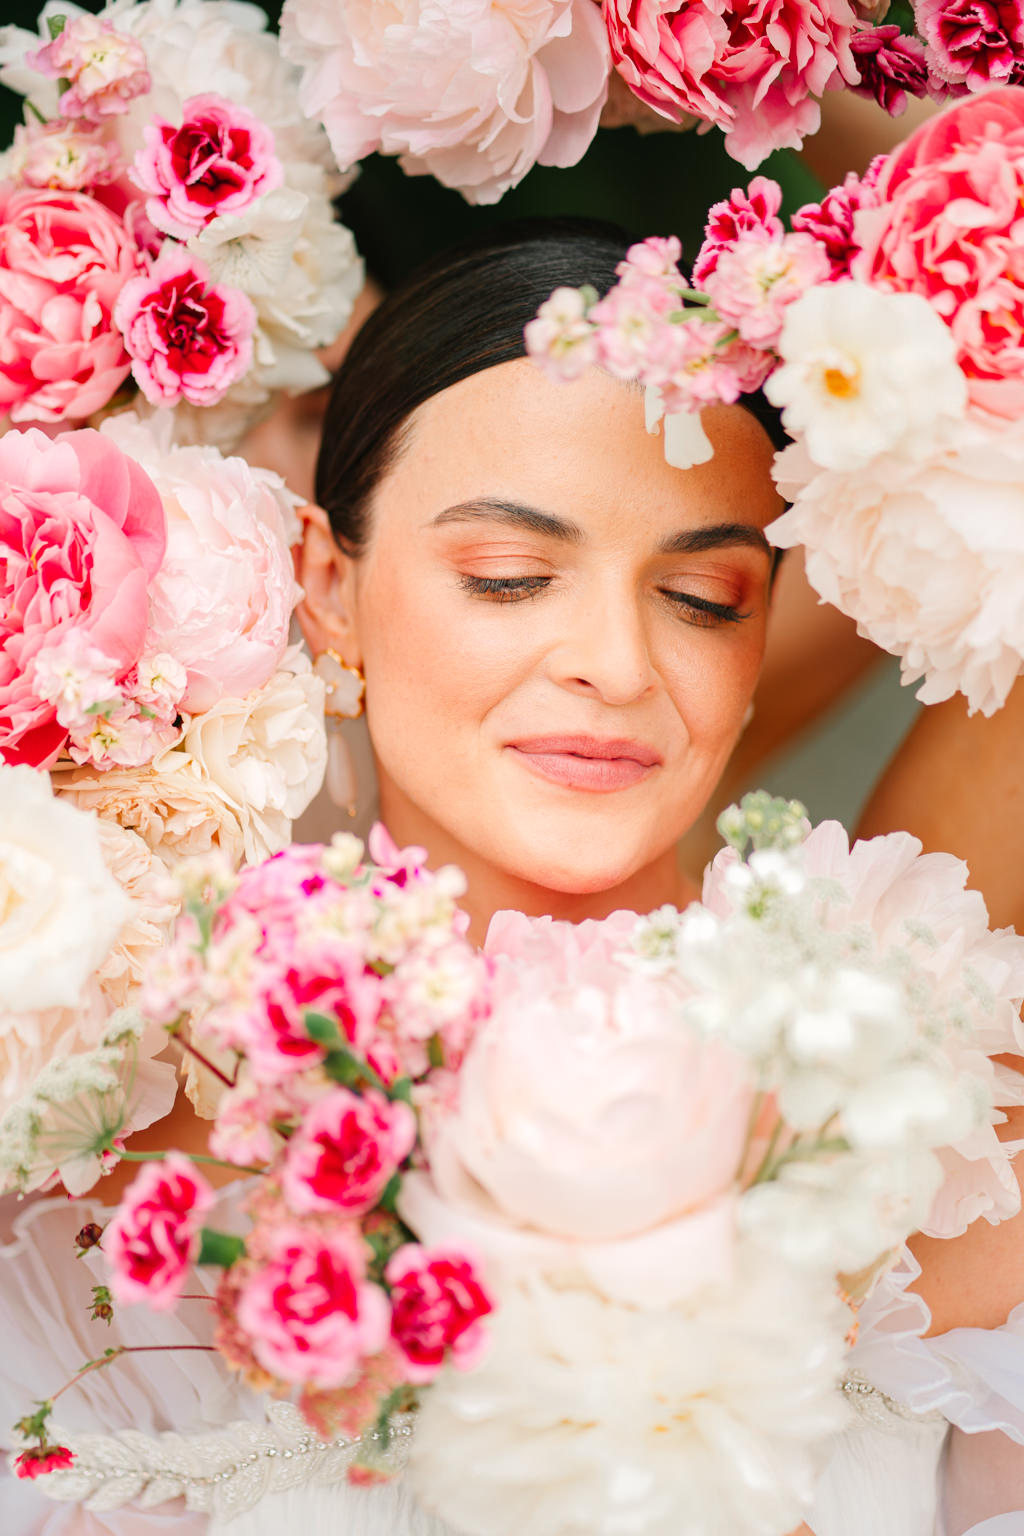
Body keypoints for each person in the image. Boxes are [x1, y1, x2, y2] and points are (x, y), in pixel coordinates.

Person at [2, 218, 1021, 1536]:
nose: (615, 661)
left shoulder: (933, 1152)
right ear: (326, 583)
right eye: (512, 577)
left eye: (705, 596)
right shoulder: (133, 1189)